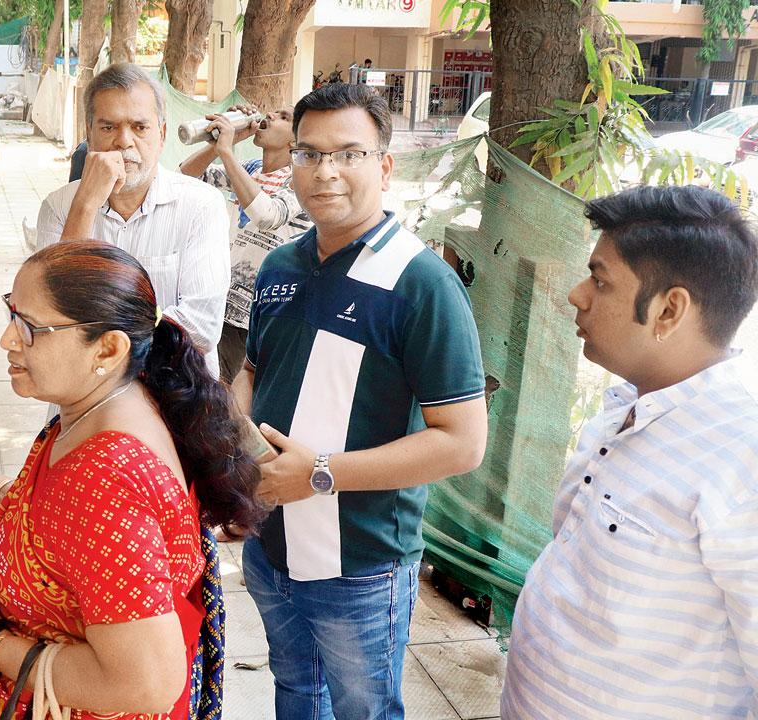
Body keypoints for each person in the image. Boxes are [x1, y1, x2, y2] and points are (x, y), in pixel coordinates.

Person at [0, 241, 265, 719]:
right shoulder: (111, 403)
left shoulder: (105, 477)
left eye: (30, 328)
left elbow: (145, 682)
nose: (7, 340)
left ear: (108, 347)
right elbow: (73, 538)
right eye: (12, 313)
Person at [233, 82, 488, 719]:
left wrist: (319, 474)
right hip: (272, 547)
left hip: (363, 564)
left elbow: (462, 442)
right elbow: (255, 372)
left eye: (349, 153)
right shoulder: (279, 266)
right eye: (308, 153)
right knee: (295, 693)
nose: (325, 173)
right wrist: (233, 456)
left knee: (363, 709)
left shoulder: (422, 282)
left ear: (385, 164)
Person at [502, 186, 758, 718]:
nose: (578, 294)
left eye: (600, 280)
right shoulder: (625, 407)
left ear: (669, 310)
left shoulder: (742, 460)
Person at [36, 63, 230, 375]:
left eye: (140, 127)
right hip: (85, 403)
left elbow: (200, 327)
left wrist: (97, 344)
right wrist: (85, 204)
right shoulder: (60, 206)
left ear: (162, 134)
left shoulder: (201, 206)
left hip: (174, 401)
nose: (124, 141)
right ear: (89, 135)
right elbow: (48, 313)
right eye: (108, 127)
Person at [179, 103, 311, 383]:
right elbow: (188, 176)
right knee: (211, 388)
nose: (270, 115)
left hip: (263, 312)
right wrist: (220, 144)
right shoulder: (250, 169)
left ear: (294, 141)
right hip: (225, 303)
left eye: (283, 117)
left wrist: (227, 152)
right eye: (274, 112)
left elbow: (268, 215)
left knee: (240, 397)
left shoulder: (299, 179)